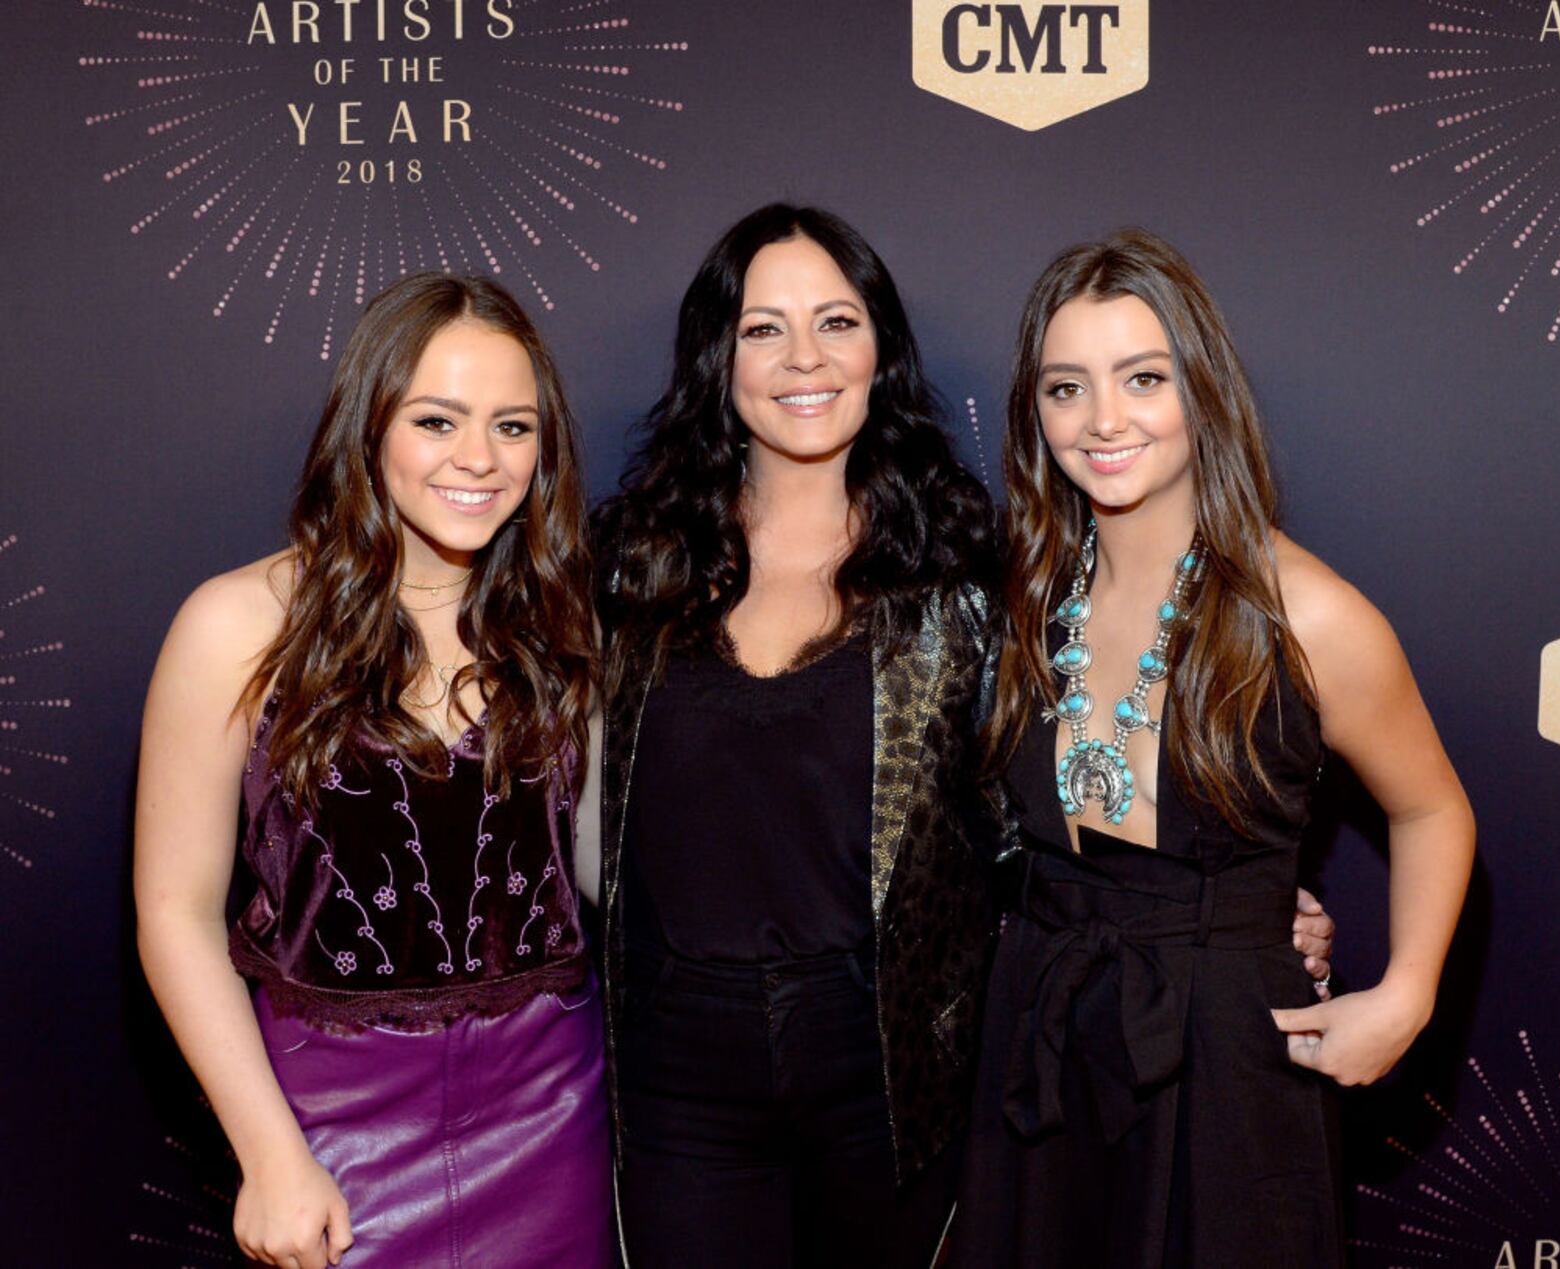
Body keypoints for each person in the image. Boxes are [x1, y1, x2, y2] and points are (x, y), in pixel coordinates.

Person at [588, 206, 1336, 1268]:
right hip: (675, 1078)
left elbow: (1039, 802)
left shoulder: (968, 567)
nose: (804, 357)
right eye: (763, 328)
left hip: (895, 1070)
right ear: (717, 353)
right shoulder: (627, 569)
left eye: (836, 321)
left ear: (880, 349)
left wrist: (1249, 906)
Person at [951, 229, 1476, 1267]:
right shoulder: (1023, 597)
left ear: (1200, 389)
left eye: (1141, 377)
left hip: (1231, 1060)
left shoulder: (1310, 614)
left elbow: (1432, 809)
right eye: (1066, 387)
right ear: (1033, 412)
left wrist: (1406, 994)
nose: (1103, 420)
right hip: (1042, 1034)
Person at [133, 273, 612, 1268]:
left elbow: (599, 875)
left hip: (552, 1110)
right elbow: (174, 911)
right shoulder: (237, 624)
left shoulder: (563, 627)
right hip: (330, 1120)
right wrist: (270, 1155)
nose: (478, 458)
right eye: (437, 420)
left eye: (513, 427)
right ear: (369, 425)